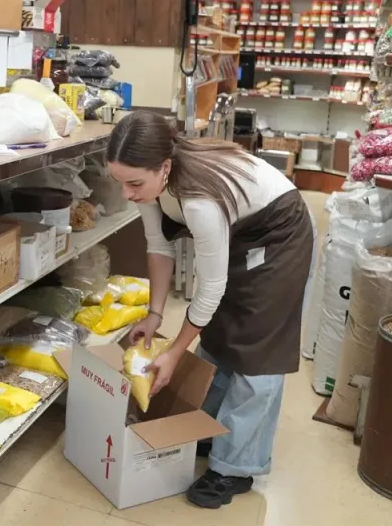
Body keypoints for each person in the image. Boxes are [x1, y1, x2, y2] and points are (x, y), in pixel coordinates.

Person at [106, 111, 313, 510]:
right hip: (239, 235)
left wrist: (174, 351)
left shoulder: (199, 199)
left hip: (279, 235)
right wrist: (154, 314)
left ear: (164, 168)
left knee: (258, 354)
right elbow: (158, 247)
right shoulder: (151, 185)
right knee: (217, 332)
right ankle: (209, 427)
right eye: (120, 182)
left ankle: (234, 469)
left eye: (134, 183)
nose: (127, 194)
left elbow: (211, 285)